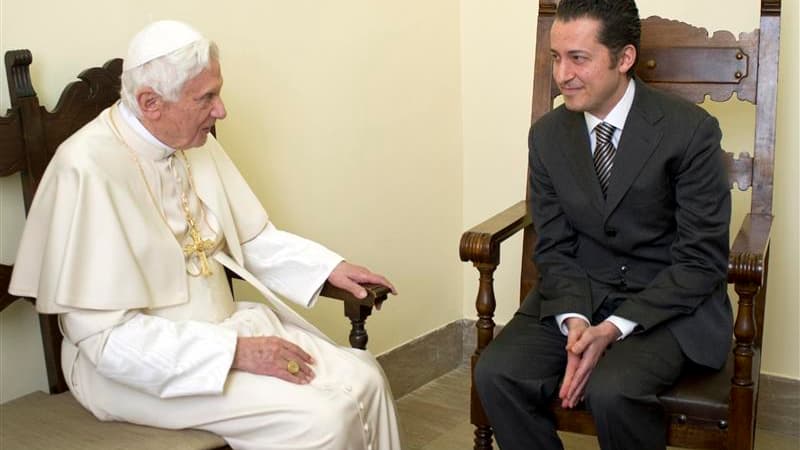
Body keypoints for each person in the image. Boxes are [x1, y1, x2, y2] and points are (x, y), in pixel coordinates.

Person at [9, 20, 402, 450]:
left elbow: (248, 238)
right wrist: (234, 352)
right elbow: (107, 341)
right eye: (206, 97)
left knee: (366, 378)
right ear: (150, 102)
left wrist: (329, 268)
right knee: (323, 418)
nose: (221, 111)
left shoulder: (188, 139)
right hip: (133, 367)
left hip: (229, 329)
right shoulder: (84, 169)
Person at [474, 1, 732, 449]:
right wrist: (575, 321)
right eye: (556, 57)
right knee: (496, 373)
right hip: (579, 290)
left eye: (579, 58)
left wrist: (612, 327)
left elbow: (701, 260)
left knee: (613, 391)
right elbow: (553, 245)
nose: (562, 74)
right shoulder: (548, 135)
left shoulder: (690, 131)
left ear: (624, 58)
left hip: (666, 305)